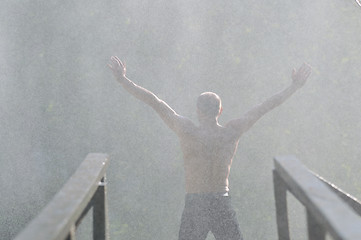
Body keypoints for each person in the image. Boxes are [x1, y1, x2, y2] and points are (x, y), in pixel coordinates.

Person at [108, 56, 311, 240]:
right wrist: (294, 86)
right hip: (220, 201)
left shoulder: (187, 131)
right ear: (220, 110)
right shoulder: (230, 132)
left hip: (196, 203)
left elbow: (155, 102)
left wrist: (123, 80)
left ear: (197, 110)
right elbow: (265, 106)